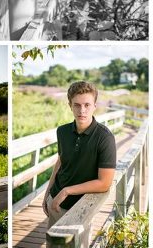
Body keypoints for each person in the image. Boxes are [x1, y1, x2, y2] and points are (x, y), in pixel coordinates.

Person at [42, 81, 116, 228]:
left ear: (95, 106)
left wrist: (67, 191)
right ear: (70, 106)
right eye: (77, 105)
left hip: (82, 207)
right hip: (55, 201)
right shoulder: (62, 131)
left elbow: (104, 183)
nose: (82, 110)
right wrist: (47, 194)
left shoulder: (105, 137)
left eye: (87, 105)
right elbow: (60, 162)